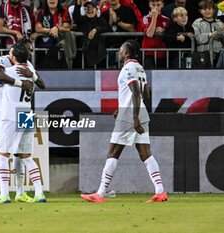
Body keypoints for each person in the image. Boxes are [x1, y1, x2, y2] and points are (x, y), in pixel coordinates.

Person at [81, 39, 167, 203]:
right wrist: (128, 110)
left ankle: (100, 193)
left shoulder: (127, 68)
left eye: (121, 49)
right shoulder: (140, 69)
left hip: (130, 116)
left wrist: (132, 116)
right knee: (145, 154)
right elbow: (145, 94)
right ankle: (160, 191)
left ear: (127, 52)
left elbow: (135, 92)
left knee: (113, 152)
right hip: (139, 112)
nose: (119, 51)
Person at [0, 39, 45, 204]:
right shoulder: (30, 72)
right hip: (26, 114)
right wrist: (28, 79)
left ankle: (4, 194)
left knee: (2, 154)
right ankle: (40, 193)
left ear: (14, 57)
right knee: (26, 156)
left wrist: (15, 82)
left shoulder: (9, 72)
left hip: (10, 115)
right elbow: (42, 84)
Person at [73, 0, 109, 68]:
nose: (90, 10)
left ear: (97, 9)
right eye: (87, 7)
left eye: (92, 7)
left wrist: (96, 30)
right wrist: (77, 5)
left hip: (98, 58)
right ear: (84, 10)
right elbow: (76, 17)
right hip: (82, 58)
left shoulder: (100, 20)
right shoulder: (82, 20)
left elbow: (108, 28)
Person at [192, 0, 224, 68]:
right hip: (203, 55)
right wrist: (210, 35)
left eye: (209, 9)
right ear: (200, 11)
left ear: (214, 10)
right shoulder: (197, 22)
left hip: (218, 55)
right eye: (204, 9)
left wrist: (221, 32)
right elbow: (198, 39)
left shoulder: (219, 23)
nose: (207, 11)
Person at [142, 0, 170, 69]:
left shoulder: (166, 20)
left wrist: (164, 30)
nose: (156, 7)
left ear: (162, 5)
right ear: (149, 4)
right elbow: (149, 34)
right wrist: (154, 17)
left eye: (158, 5)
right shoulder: (145, 18)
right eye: (153, 5)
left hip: (162, 53)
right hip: (148, 53)